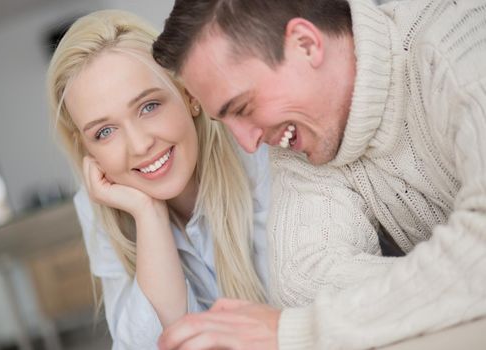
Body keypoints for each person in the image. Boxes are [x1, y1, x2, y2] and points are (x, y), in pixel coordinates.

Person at [152, 0, 486, 349]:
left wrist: (296, 331)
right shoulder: (306, 134)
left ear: (306, 44)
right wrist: (456, 277)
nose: (248, 143)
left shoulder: (462, 40)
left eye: (243, 108)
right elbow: (303, 282)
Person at [46, 10, 271, 349]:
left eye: (148, 106)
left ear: (188, 94)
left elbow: (307, 304)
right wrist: (148, 215)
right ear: (88, 150)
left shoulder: (256, 150)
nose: (139, 145)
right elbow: (143, 344)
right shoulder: (100, 203)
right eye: (105, 132)